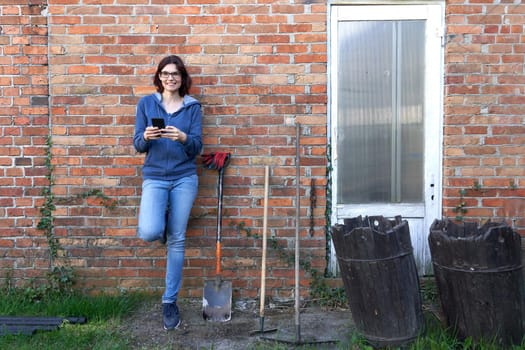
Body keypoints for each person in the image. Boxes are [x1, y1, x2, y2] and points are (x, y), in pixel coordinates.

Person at [133, 55, 202, 330]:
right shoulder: (146, 104)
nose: (170, 78)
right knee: (150, 231)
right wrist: (146, 138)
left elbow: (196, 146)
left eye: (175, 74)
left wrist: (183, 138)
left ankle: (169, 302)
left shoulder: (192, 108)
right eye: (165, 73)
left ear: (182, 78)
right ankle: (160, 220)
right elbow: (138, 144)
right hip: (156, 178)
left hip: (184, 177)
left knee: (177, 238)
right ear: (159, 77)